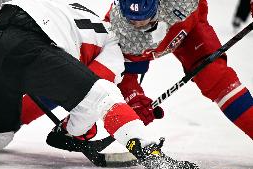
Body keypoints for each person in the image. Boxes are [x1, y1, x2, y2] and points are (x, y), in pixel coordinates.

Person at [0, 0, 203, 169]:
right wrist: (73, 132)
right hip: (28, 40)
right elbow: (94, 99)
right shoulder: (114, 47)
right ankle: (153, 158)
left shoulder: (85, 14)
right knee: (104, 96)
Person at [104, 0, 253, 139]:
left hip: (188, 25)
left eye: (143, 16)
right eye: (132, 18)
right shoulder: (116, 25)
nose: (138, 23)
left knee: (213, 76)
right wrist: (132, 96)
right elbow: (119, 70)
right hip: (141, 42)